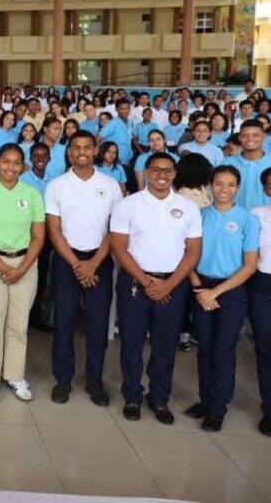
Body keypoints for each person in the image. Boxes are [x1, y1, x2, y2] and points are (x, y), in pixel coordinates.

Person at [110, 152, 202, 424]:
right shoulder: (129, 204)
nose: (162, 175)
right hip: (135, 283)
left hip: (173, 285)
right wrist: (148, 281)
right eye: (156, 170)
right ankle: (132, 396)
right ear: (148, 172)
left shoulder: (187, 206)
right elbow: (119, 247)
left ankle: (159, 397)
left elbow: (192, 252)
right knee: (132, 343)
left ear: (174, 174)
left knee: (164, 345)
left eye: (168, 170)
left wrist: (169, 284)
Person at [44, 131, 122, 406]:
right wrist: (78, 265)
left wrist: (93, 264)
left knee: (97, 325)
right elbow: (54, 232)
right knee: (63, 323)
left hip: (99, 259)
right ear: (68, 153)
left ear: (95, 151)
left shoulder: (111, 185)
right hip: (68, 261)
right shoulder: (57, 185)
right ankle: (62, 380)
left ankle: (94, 381)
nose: (81, 152)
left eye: (87, 147)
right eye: (75, 147)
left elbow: (116, 229)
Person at [185, 165, 258, 432]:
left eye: (230, 184)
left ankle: (217, 409)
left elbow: (250, 265)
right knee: (204, 348)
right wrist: (199, 288)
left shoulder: (248, 219)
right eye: (218, 183)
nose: (224, 189)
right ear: (209, 186)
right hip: (200, 286)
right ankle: (205, 400)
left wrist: (214, 293)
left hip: (231, 291)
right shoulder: (199, 215)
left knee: (223, 351)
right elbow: (187, 254)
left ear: (237, 188)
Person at [0, 143, 46, 403]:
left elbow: (39, 236)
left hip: (25, 265)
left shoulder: (33, 193)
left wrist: (22, 268)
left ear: (23, 166)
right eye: (6, 161)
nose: (10, 167)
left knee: (18, 325)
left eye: (16, 163)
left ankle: (14, 375)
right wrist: (3, 267)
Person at [250, 168, 271, 437]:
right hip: (262, 285)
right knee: (265, 349)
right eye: (269, 184)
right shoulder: (256, 215)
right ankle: (269, 410)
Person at [224, 120, 271, 210]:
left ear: (264, 137)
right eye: (245, 136)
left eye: (255, 135)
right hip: (235, 219)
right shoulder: (226, 163)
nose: (250, 139)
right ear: (239, 138)